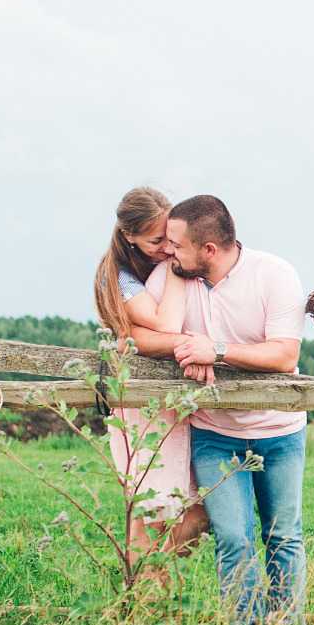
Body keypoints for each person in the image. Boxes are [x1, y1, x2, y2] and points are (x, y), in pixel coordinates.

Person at [140, 195, 307, 625]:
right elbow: (132, 333)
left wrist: (213, 349)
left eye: (175, 244)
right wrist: (182, 347)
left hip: (280, 431)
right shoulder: (172, 275)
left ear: (208, 250)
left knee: (283, 536)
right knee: (234, 538)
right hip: (214, 433)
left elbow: (285, 355)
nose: (166, 251)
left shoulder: (275, 275)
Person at [91, 186, 210, 576]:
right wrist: (177, 270)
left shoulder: (155, 264)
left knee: (187, 511)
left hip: (176, 401)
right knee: (149, 509)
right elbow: (165, 323)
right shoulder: (118, 277)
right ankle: (144, 601)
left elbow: (147, 336)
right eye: (156, 241)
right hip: (141, 403)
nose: (165, 248)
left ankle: (144, 588)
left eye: (170, 239)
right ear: (129, 236)